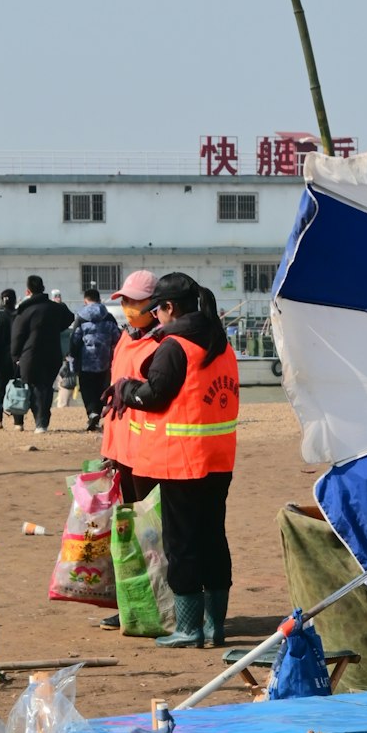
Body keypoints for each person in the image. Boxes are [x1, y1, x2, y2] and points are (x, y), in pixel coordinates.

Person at [108, 271, 238, 649]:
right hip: (219, 458)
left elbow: (155, 395)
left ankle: (189, 628)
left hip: (181, 461)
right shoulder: (220, 342)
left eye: (158, 309)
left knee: (181, 543)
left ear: (167, 308)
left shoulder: (175, 346)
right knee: (213, 537)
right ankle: (215, 625)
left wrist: (126, 389)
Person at [97, 269, 161, 631]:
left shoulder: (162, 344)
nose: (127, 308)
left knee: (149, 533)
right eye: (124, 301)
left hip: (148, 452)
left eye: (135, 301)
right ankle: (130, 604)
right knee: (124, 533)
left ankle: (155, 602)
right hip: (120, 448)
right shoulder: (124, 339)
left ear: (155, 305)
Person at [10, 274, 75, 433]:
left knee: (32, 387)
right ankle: (43, 421)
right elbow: (70, 317)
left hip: (30, 355)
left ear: (28, 291)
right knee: (46, 387)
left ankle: (38, 421)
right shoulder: (55, 308)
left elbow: (17, 335)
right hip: (52, 354)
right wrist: (55, 328)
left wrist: (15, 355)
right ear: (43, 288)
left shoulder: (25, 311)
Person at [69, 288, 122, 432]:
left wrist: (73, 357)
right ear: (99, 300)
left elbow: (75, 340)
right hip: (105, 361)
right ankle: (97, 413)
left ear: (85, 300)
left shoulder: (81, 317)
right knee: (101, 388)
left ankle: (91, 413)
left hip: (86, 361)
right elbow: (117, 338)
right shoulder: (109, 317)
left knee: (87, 388)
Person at [0, 288, 24, 430]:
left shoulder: (1, 320)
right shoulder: (20, 317)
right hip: (18, 360)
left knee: (0, 390)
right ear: (14, 301)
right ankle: (18, 422)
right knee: (17, 389)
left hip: (2, 361)